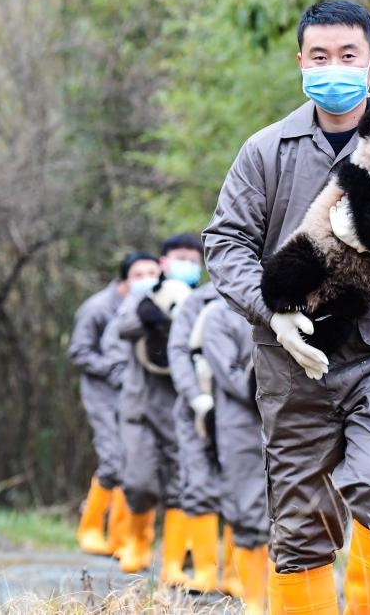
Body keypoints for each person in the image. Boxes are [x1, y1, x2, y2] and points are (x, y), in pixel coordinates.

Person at [203, 0, 370, 614]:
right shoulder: (265, 151)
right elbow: (224, 240)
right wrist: (272, 309)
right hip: (293, 359)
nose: (333, 67)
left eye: (347, 55)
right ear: (300, 61)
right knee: (299, 526)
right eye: (320, 56)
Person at [110, 234, 206, 582]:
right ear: (164, 262)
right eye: (181, 258)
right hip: (138, 404)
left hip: (181, 406)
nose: (188, 266)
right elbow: (122, 327)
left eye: (195, 260)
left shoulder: (197, 298)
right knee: (138, 479)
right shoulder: (144, 294)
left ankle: (174, 562)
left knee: (182, 484)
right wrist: (149, 316)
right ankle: (137, 542)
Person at [69, 251, 159, 555]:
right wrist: (113, 371)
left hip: (133, 392)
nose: (147, 280)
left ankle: (120, 538)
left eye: (152, 273)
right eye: (138, 275)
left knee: (133, 462)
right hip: (101, 391)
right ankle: (90, 529)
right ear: (125, 279)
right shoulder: (97, 308)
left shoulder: (152, 303)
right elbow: (79, 352)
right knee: (112, 459)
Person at [201, 302, 269, 615]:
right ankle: (250, 596)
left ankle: (273, 595)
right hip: (239, 421)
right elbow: (227, 372)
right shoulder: (218, 315)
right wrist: (262, 388)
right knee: (245, 507)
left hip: (283, 421)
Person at [166, 276, 226, 593]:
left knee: (246, 494)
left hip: (243, 412)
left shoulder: (263, 294)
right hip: (198, 410)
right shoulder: (197, 301)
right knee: (199, 485)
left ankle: (238, 576)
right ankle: (205, 573)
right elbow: (178, 351)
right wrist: (195, 397)